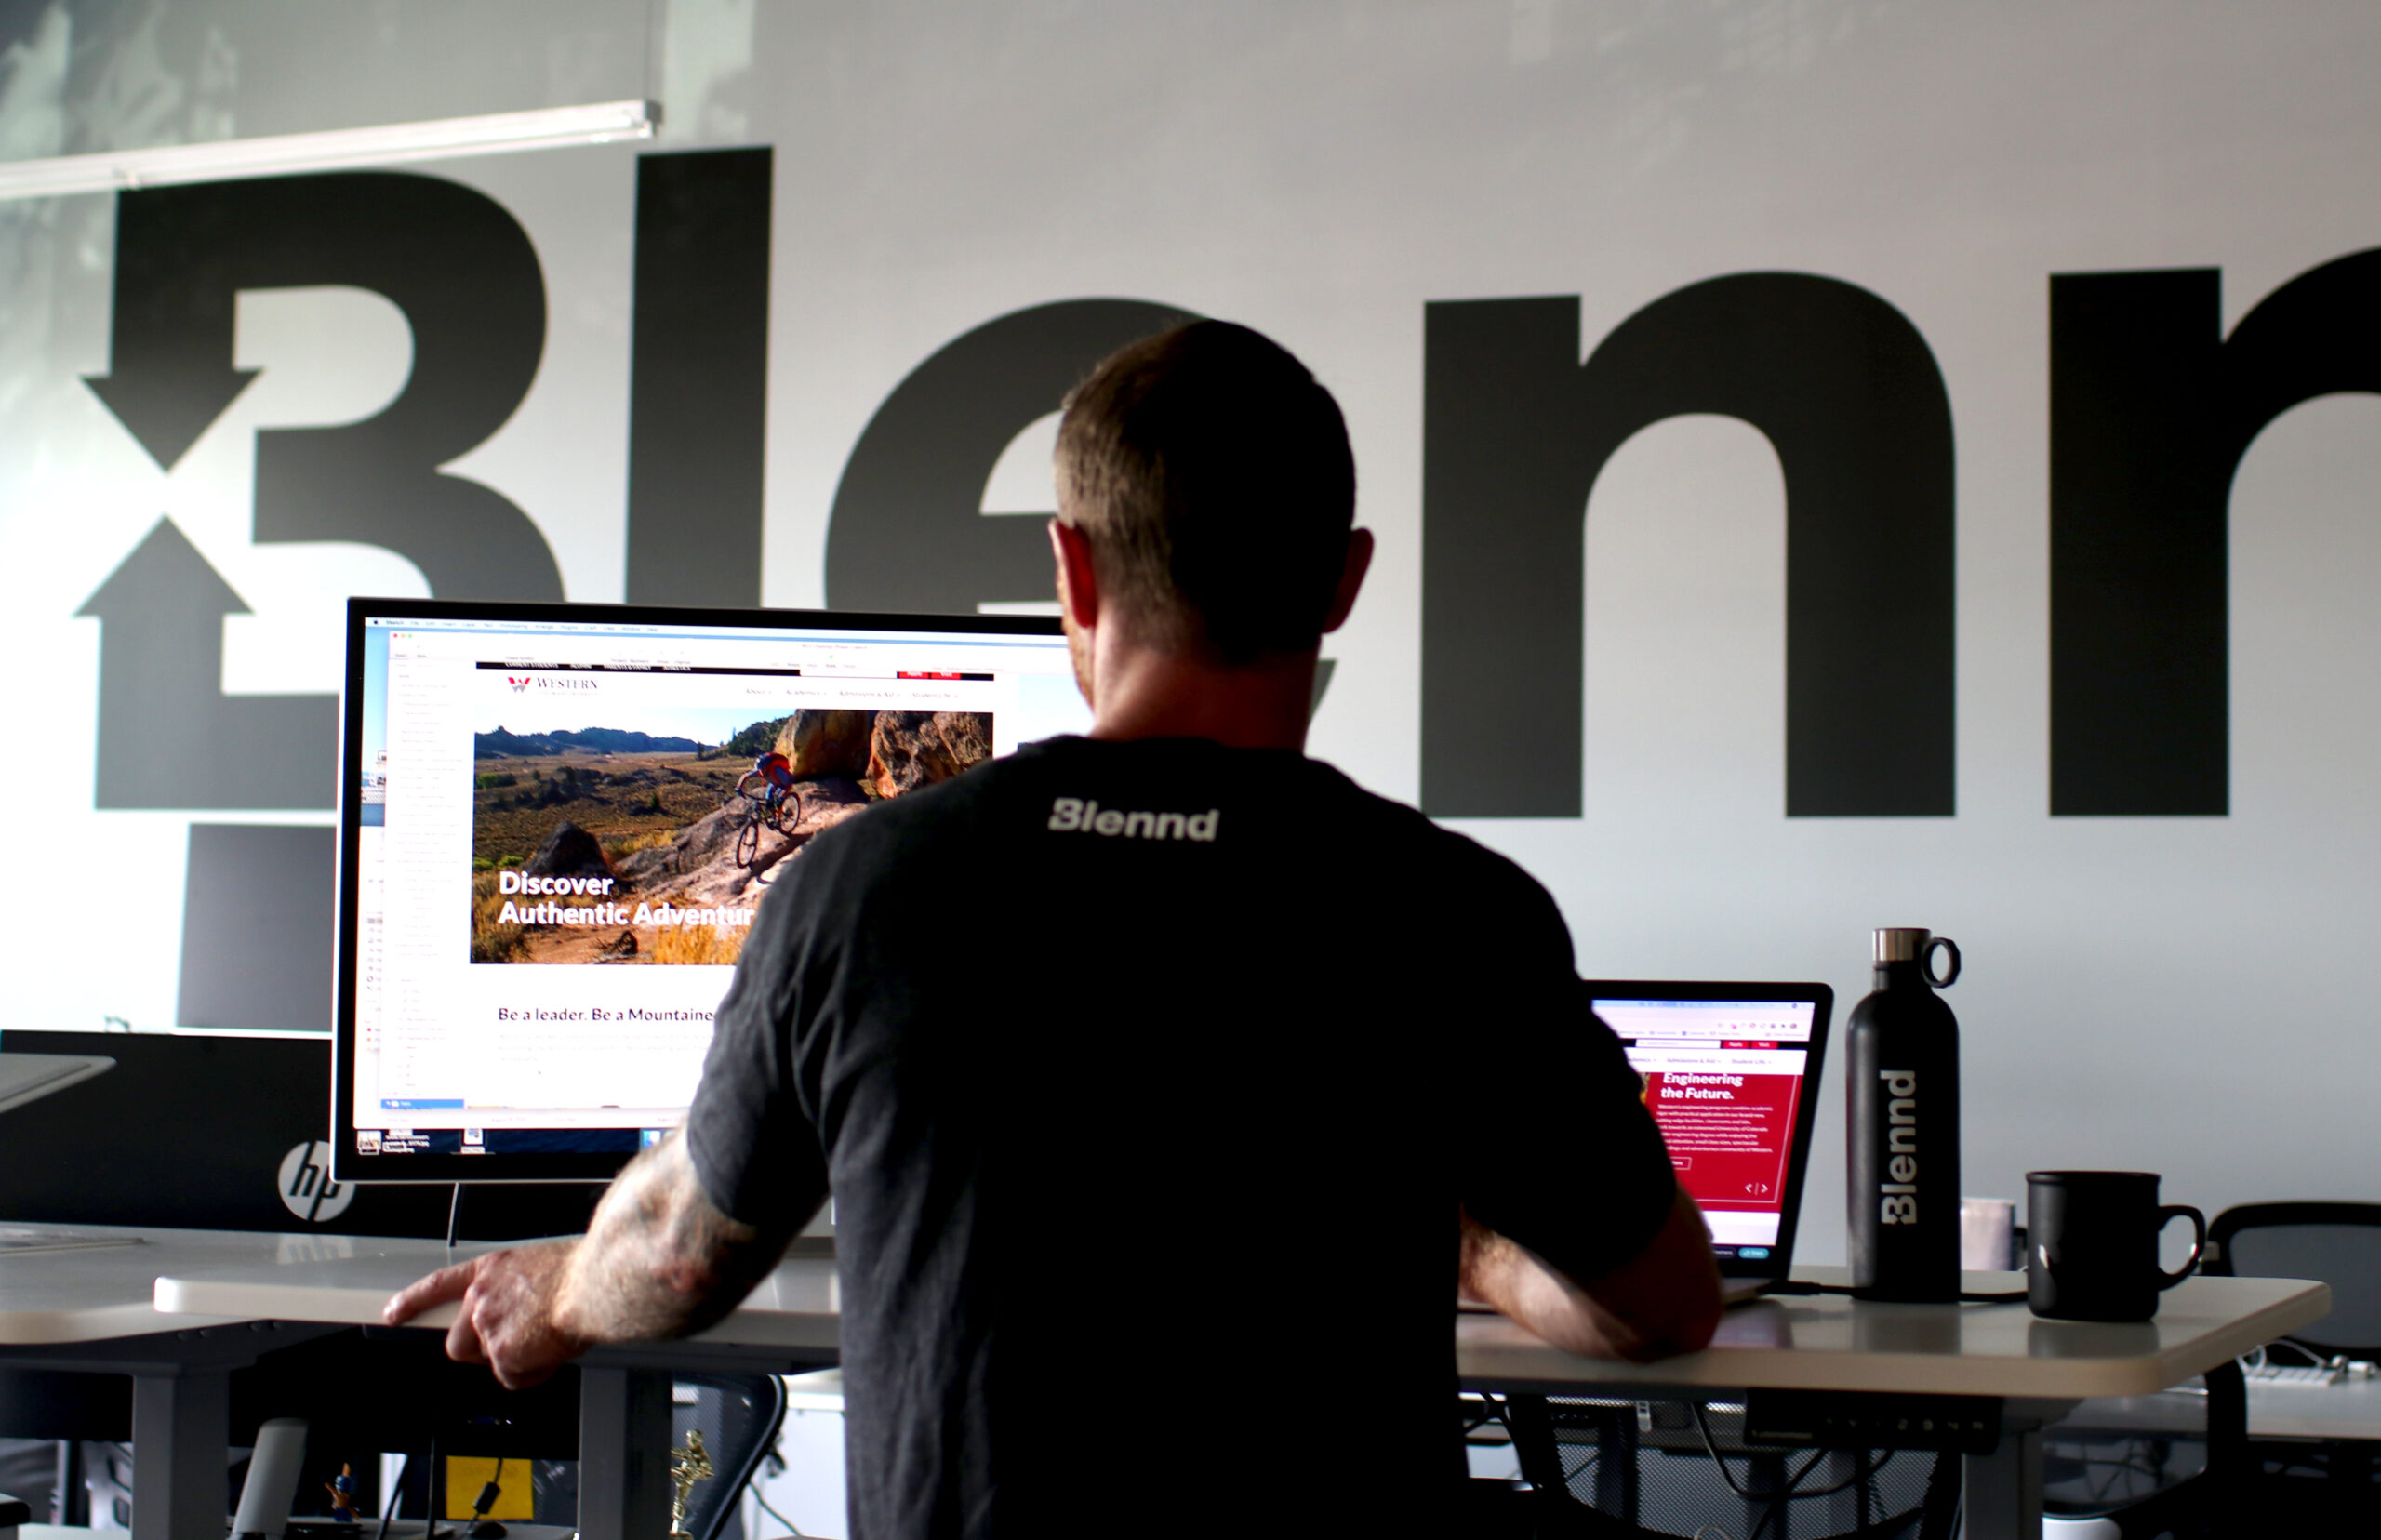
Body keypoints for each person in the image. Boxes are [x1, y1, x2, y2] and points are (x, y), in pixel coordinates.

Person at [386, 321, 1721, 1535]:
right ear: (1343, 582)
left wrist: (552, 1296)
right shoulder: (1455, 912)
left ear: (1071, 569)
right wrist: (1461, 1241)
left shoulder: (862, 891)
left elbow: (678, 1257)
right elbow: (1657, 1306)